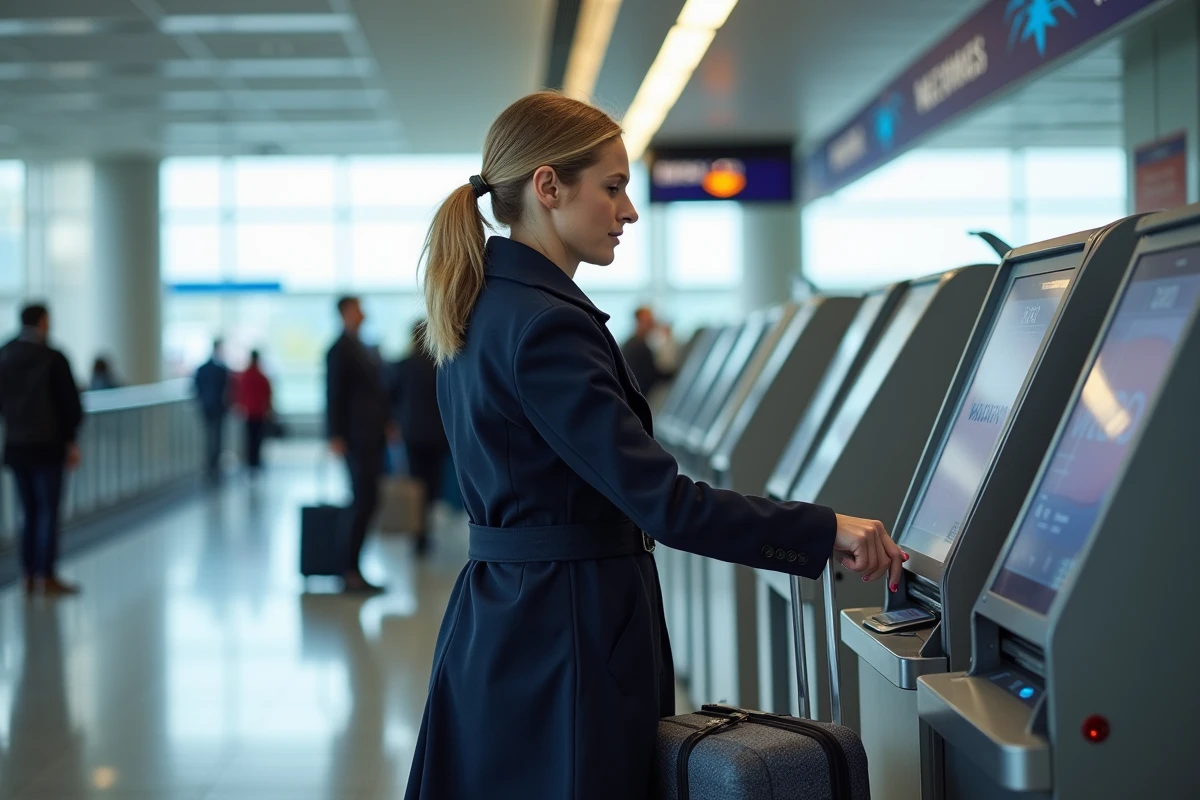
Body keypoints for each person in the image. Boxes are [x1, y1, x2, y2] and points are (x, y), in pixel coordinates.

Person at [404, 92, 906, 800]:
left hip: (508, 619)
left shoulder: (484, 305)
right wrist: (821, 531)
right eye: (612, 188)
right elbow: (665, 504)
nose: (629, 211)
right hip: (566, 634)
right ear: (548, 187)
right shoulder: (547, 327)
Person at [0, 304, 84, 596]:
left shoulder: (5, 355)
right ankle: (46, 575)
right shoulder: (52, 357)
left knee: (27, 511)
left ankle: (27, 573)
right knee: (48, 511)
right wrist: (71, 440)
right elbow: (69, 404)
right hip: (48, 446)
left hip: (16, 445)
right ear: (42, 321)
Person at [326, 296, 394, 593]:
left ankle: (353, 568)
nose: (362, 312)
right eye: (357, 308)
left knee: (368, 499)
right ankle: (349, 571)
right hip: (355, 437)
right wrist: (336, 435)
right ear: (344, 313)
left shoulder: (362, 346)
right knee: (362, 500)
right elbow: (333, 393)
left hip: (370, 435)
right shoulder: (339, 349)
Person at [389, 320, 449, 556]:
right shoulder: (440, 362)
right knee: (433, 482)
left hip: (412, 431)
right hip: (438, 431)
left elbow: (392, 396)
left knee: (416, 481)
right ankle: (426, 529)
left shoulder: (403, 364)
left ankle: (418, 532)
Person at [194, 339, 230, 483]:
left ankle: (212, 465)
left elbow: (196, 387)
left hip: (209, 407)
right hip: (215, 407)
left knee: (211, 436)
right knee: (215, 437)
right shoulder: (221, 369)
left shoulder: (204, 368)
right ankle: (213, 465)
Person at [621, 305, 673, 397]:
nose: (652, 323)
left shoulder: (638, 343)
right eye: (648, 321)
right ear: (638, 322)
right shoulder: (636, 346)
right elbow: (651, 374)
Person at [235, 349, 272, 476]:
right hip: (259, 411)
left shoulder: (246, 375)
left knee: (249, 438)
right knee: (257, 439)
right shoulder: (261, 376)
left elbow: (240, 393)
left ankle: (251, 462)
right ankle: (255, 462)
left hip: (248, 411)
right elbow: (268, 394)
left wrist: (240, 406)